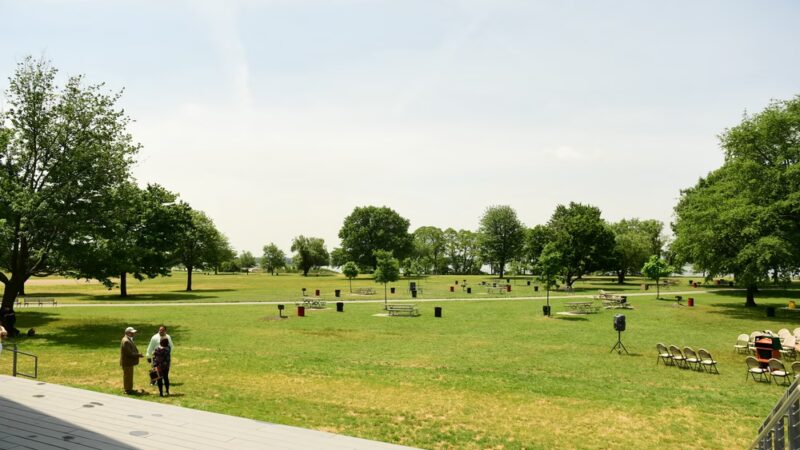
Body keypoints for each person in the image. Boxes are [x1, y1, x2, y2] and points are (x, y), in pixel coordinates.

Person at [120, 326, 144, 394]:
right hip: (127, 362)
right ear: (127, 333)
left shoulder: (128, 339)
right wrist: (138, 355)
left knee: (129, 376)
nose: (133, 334)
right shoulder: (126, 341)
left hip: (128, 362)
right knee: (127, 376)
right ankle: (127, 390)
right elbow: (129, 353)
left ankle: (129, 389)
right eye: (132, 333)